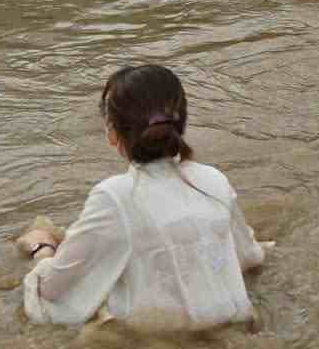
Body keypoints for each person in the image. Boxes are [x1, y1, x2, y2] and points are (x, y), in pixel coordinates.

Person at [15, 64, 264, 330]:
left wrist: (42, 250)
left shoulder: (113, 196)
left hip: (161, 343)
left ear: (112, 133)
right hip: (235, 324)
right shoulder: (214, 179)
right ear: (181, 122)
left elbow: (52, 290)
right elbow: (249, 256)